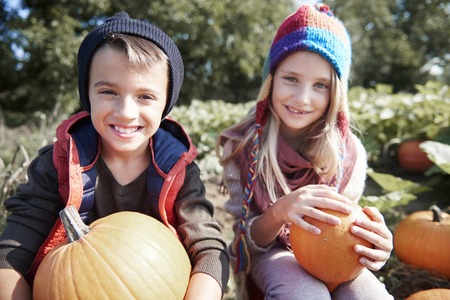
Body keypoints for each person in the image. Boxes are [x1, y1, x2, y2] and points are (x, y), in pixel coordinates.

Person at [0, 12, 229, 299]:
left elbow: (210, 250)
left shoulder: (178, 170)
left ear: (166, 104)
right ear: (88, 96)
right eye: (108, 91)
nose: (125, 112)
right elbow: (11, 256)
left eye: (145, 96)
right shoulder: (57, 164)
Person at [217, 3, 393, 299]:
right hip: (271, 253)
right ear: (271, 80)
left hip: (328, 252)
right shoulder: (244, 148)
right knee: (305, 293)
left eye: (320, 85)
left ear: (336, 92)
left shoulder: (349, 154)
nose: (302, 98)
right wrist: (278, 213)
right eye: (291, 79)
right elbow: (246, 242)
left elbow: (345, 229)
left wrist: (375, 243)